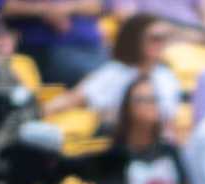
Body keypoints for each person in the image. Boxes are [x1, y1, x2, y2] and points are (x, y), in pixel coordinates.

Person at [96, 74, 196, 184]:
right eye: (143, 99)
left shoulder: (170, 150)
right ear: (127, 107)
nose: (151, 105)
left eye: (154, 99)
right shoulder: (115, 155)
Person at [52, 12, 184, 129]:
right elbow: (74, 98)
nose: (161, 44)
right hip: (115, 143)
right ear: (136, 39)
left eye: (165, 38)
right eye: (155, 38)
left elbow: (169, 124)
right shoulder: (113, 72)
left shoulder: (167, 77)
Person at [0, 0, 108, 85]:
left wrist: (66, 8)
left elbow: (98, 5)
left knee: (117, 73)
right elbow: (3, 7)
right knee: (104, 79)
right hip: (47, 48)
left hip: (93, 45)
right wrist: (44, 10)